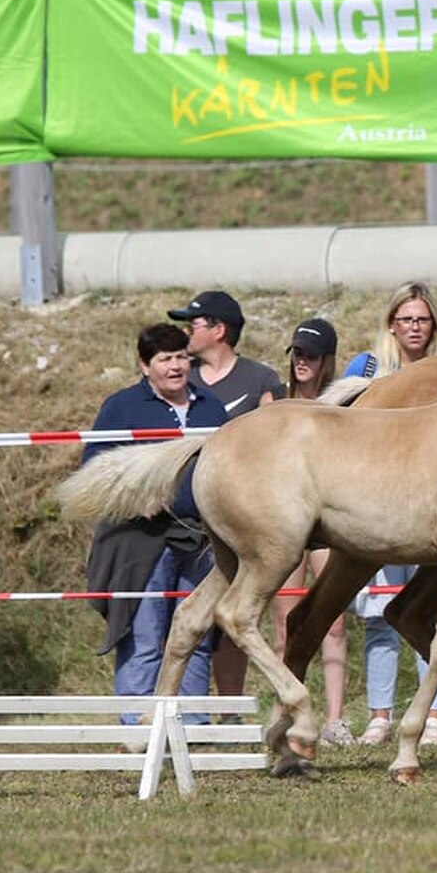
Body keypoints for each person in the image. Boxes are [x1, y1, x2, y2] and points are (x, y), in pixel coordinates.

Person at [80, 323, 228, 723]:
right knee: (144, 636)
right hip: (141, 539)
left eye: (181, 356)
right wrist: (135, 495)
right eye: (165, 359)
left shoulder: (211, 409)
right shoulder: (121, 407)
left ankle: (192, 726)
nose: (176, 366)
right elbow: (94, 465)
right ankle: (135, 728)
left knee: (197, 635)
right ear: (146, 366)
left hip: (200, 537)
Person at [343, 282, 437, 745]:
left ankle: (435, 715)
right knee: (377, 614)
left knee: (432, 612)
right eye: (406, 319)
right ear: (392, 323)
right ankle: (380, 715)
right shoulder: (367, 369)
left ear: (433, 326)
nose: (413, 328)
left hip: (435, 504)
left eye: (421, 319)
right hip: (380, 499)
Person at [167, 290, 286, 704]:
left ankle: (230, 709)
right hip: (186, 510)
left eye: (193, 324)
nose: (185, 333)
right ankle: (176, 712)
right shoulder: (183, 380)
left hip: (248, 512)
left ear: (219, 330)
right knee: (207, 612)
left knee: (235, 616)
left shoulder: (261, 381)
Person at [271, 318, 353, 747]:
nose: (302, 361)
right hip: (286, 518)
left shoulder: (343, 403)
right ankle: (289, 709)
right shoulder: (276, 403)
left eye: (312, 355)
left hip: (328, 518)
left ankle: (335, 719)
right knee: (285, 621)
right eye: (298, 353)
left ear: (327, 361)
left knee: (332, 622)